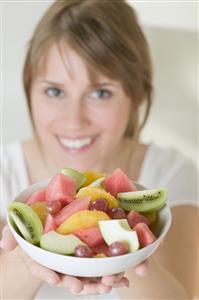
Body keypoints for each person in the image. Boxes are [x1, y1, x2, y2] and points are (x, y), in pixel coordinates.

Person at [1, 0, 198, 299]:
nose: (73, 120)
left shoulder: (174, 174)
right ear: (28, 90)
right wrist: (25, 257)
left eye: (100, 92)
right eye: (54, 91)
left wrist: (130, 251)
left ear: (136, 95)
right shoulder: (4, 172)